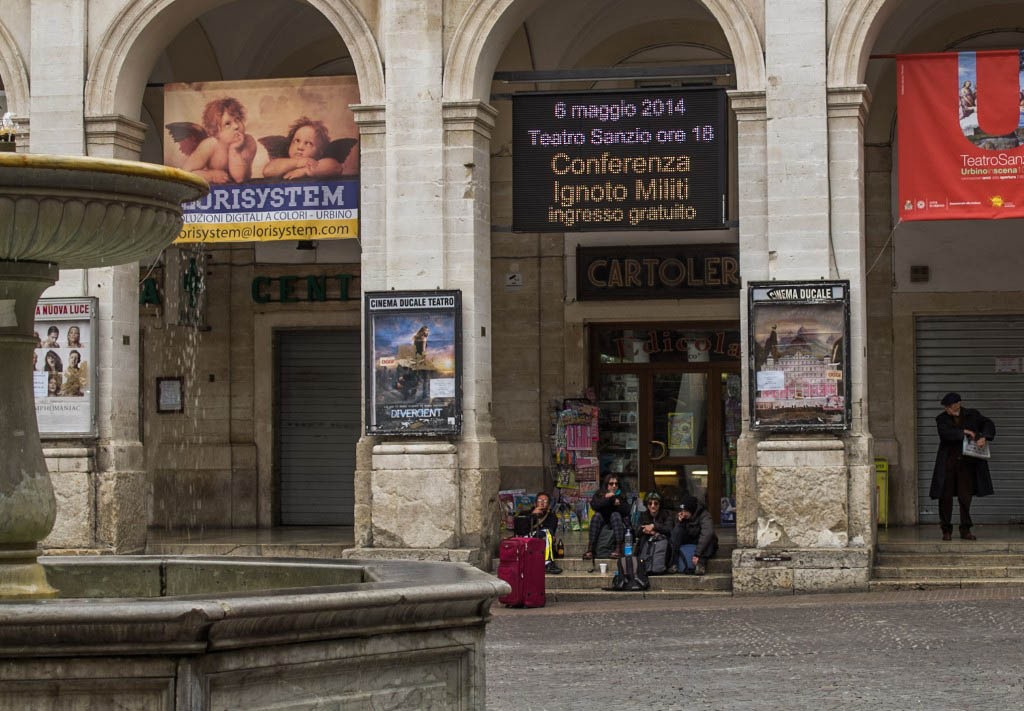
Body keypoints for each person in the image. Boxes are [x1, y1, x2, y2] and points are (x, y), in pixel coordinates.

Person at [930, 392, 995, 541]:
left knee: (965, 498)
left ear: (958, 404)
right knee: (945, 498)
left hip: (967, 465)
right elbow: (945, 434)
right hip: (948, 464)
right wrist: (964, 432)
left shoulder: (972, 414)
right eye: (946, 407)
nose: (947, 409)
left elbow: (988, 424)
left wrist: (984, 436)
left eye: (950, 406)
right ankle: (946, 529)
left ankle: (965, 529)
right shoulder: (942, 418)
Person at [182, 97, 257, 184]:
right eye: (227, 124)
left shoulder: (248, 142)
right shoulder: (210, 145)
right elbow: (185, 174)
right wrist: (211, 176)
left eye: (238, 119)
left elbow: (239, 179)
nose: (236, 126)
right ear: (216, 132)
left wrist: (234, 150)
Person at [263, 118, 346, 180]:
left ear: (320, 152)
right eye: (297, 141)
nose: (300, 147)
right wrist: (297, 163)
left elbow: (336, 167)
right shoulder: (283, 162)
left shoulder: (319, 163)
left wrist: (306, 171)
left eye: (308, 143)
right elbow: (268, 170)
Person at [583, 475, 630, 560]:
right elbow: (594, 505)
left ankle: (618, 548)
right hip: (603, 519)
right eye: (611, 483)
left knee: (615, 515)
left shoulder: (621, 495)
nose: (614, 486)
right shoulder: (601, 493)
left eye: (616, 484)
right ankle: (590, 549)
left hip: (617, 521)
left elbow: (626, 511)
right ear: (607, 485)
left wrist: (618, 504)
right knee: (596, 516)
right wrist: (607, 499)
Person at [671, 495, 718, 575]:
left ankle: (701, 564)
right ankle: (674, 563)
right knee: (677, 531)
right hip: (689, 538)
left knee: (711, 539)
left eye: (685, 510)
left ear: (691, 510)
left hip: (700, 541)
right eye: (682, 510)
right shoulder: (682, 516)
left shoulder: (704, 515)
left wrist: (697, 554)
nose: (683, 513)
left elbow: (707, 533)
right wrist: (679, 523)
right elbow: (675, 536)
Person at [634, 491, 674, 570]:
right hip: (647, 544)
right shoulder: (643, 515)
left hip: (661, 545)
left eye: (656, 503)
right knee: (642, 539)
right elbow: (637, 532)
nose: (653, 506)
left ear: (660, 504)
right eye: (650, 503)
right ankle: (643, 565)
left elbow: (669, 529)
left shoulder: (666, 514)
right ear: (646, 505)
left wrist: (654, 526)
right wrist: (644, 531)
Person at [529, 492, 561, 575]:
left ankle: (547, 562)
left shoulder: (552, 516)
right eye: (540, 500)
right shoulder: (527, 513)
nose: (542, 502)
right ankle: (548, 563)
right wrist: (533, 515)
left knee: (548, 532)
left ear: (549, 504)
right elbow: (524, 528)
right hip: (528, 538)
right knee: (547, 533)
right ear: (535, 503)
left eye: (545, 501)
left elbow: (550, 529)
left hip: (543, 538)